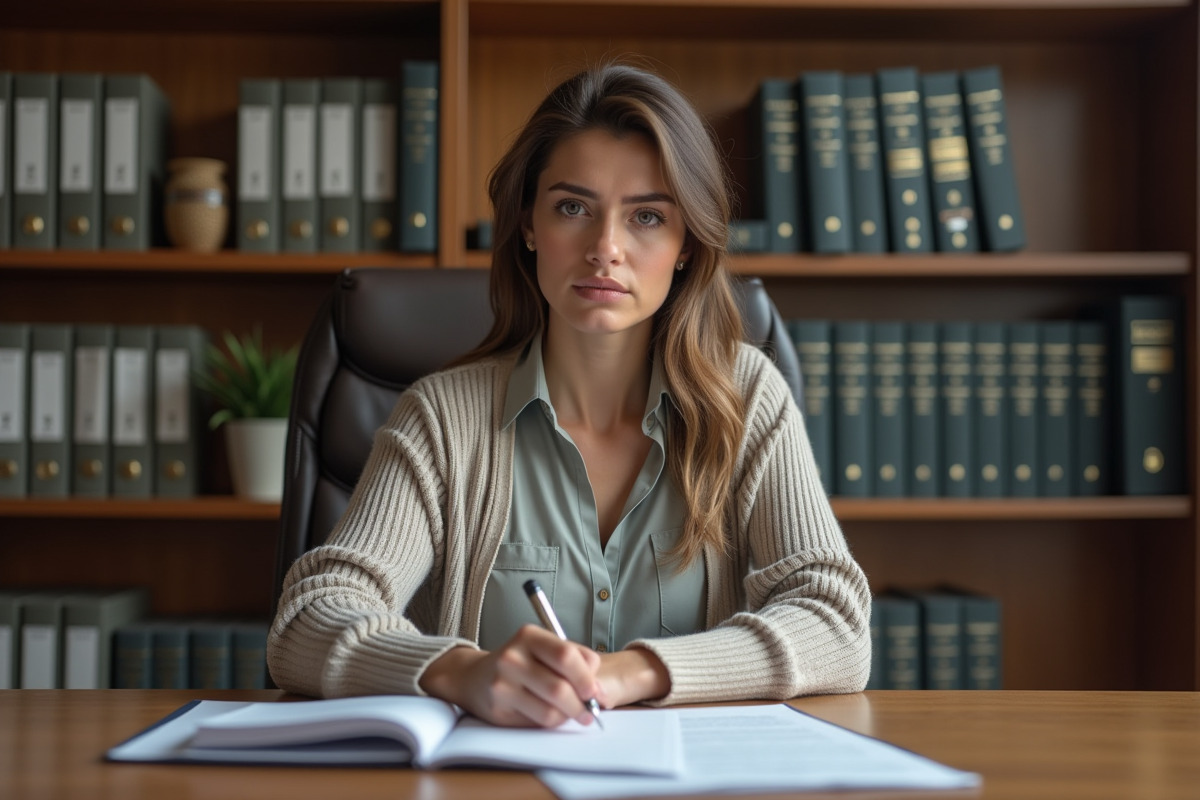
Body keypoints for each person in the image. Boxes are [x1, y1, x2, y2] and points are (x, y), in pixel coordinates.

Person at [267, 62, 871, 728]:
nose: (604, 248)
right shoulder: (444, 416)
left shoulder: (747, 400)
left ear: (687, 248)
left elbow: (836, 622)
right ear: (529, 224)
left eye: (646, 216)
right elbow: (308, 618)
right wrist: (461, 672)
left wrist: (632, 673)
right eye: (573, 208)